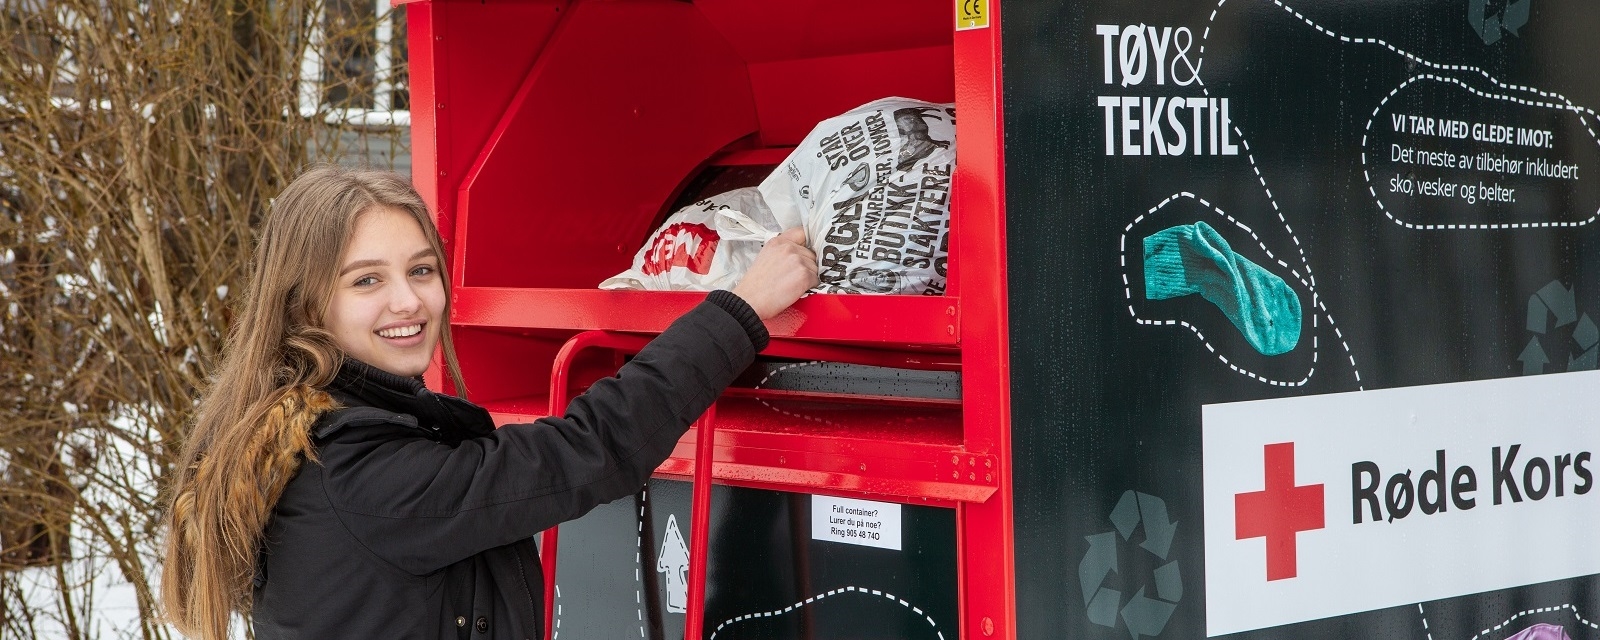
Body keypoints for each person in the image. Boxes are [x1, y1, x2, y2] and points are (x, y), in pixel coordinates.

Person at [159, 166, 818, 640]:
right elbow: (587, 451)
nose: (409, 302)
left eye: (421, 270)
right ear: (305, 302)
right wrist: (741, 311)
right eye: (367, 280)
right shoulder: (358, 473)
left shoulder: (305, 424)